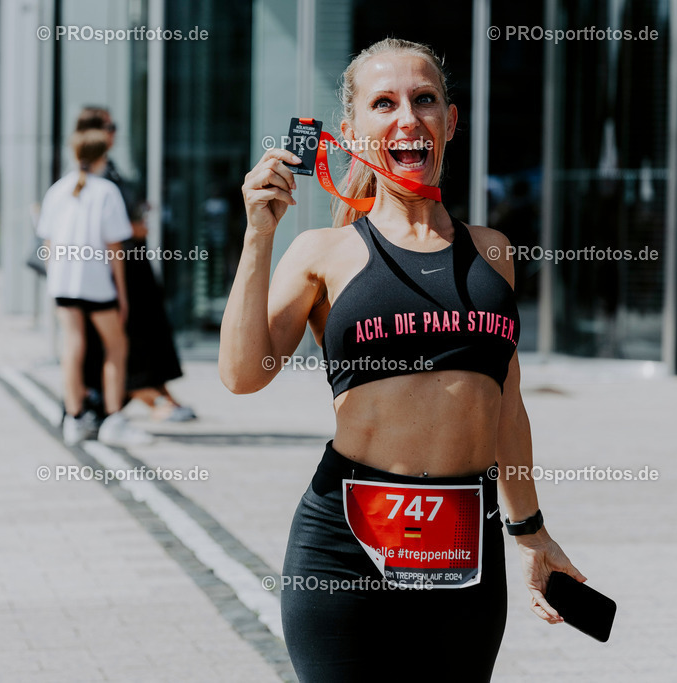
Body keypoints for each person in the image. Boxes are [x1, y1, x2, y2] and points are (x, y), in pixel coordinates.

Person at [219, 38, 586, 681]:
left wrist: (530, 532)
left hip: (464, 549)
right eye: (383, 103)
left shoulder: (492, 252)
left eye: (425, 100)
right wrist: (258, 234)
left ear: (451, 121)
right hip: (343, 548)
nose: (407, 118)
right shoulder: (322, 251)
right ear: (351, 131)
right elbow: (243, 375)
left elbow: (507, 409)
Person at [75, 106, 195, 421]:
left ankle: (150, 391)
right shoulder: (87, 180)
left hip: (130, 263)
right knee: (120, 337)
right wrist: (131, 229)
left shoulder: (108, 171)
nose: (114, 133)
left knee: (146, 330)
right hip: (114, 268)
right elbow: (95, 228)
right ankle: (132, 397)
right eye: (109, 126)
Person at [36, 128, 151, 446]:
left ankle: (74, 419)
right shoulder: (106, 191)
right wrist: (122, 294)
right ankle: (113, 419)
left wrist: (54, 277)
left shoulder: (57, 190)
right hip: (97, 284)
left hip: (62, 282)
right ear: (103, 156)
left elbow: (46, 241)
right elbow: (115, 248)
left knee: (72, 346)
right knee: (116, 347)